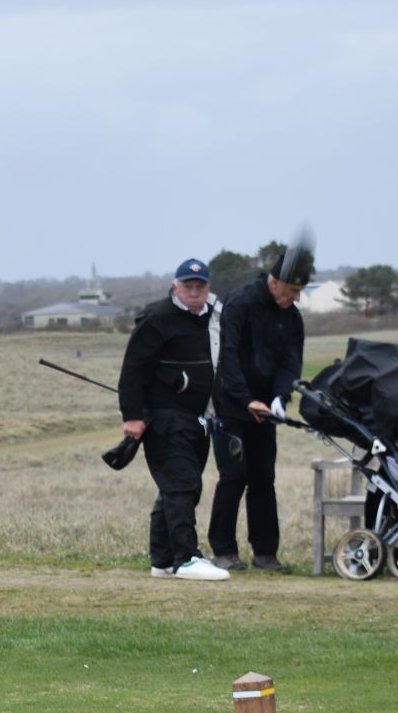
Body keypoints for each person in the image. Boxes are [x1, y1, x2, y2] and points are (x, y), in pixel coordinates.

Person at [117, 258, 229, 581]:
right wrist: (132, 416)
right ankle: (186, 558)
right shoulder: (157, 318)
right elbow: (133, 370)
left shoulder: (213, 319)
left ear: (208, 288)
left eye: (200, 286)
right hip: (163, 417)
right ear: (175, 287)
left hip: (199, 418)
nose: (194, 292)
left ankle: (163, 559)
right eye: (187, 286)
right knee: (181, 484)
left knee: (178, 487)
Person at [208, 238, 314, 571]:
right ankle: (224, 550)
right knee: (233, 476)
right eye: (293, 290)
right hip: (230, 406)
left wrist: (281, 397)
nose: (296, 297)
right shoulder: (239, 303)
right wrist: (246, 399)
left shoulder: (292, 318)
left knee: (263, 478)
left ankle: (266, 552)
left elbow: (290, 363)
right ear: (275, 281)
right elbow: (228, 358)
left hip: (265, 411)